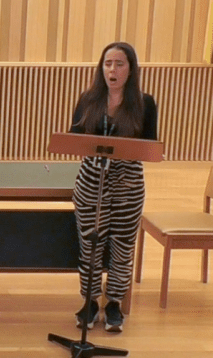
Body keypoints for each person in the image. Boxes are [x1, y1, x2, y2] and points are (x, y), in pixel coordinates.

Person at [69, 42, 158, 333]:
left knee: (122, 246)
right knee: (90, 244)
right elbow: (74, 137)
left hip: (128, 182)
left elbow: (149, 146)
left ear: (130, 69)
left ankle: (114, 304)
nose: (113, 69)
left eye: (119, 64)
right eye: (108, 63)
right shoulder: (89, 99)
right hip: (91, 180)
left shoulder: (145, 103)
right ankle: (90, 301)